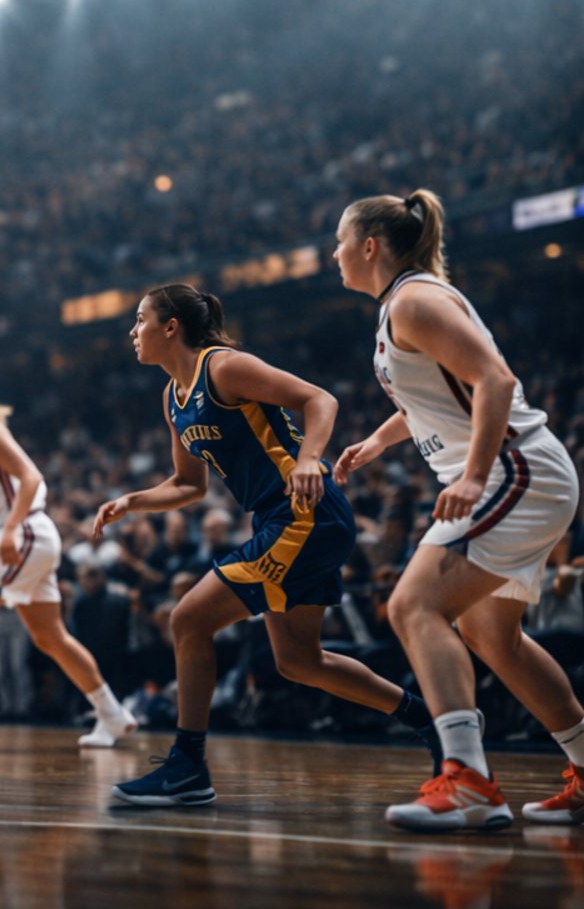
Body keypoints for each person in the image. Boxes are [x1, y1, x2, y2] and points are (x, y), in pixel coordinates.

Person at [93, 285, 436, 807]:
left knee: (188, 619)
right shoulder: (173, 398)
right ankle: (430, 720)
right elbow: (190, 485)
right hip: (280, 519)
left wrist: (308, 458)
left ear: (170, 328)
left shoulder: (223, 367)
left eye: (140, 319)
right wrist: (132, 502)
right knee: (300, 660)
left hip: (306, 513)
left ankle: (187, 766)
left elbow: (320, 399)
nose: (132, 332)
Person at [333, 190, 584, 830]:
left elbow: (494, 380)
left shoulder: (416, 299)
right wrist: (377, 441)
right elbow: (430, 396)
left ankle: (468, 780)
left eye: (340, 241)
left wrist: (474, 476)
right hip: (524, 474)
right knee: (490, 635)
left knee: (412, 605)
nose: (332, 254)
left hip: (513, 470)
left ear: (370, 246)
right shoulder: (405, 303)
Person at [0, 371, 138, 748]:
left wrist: (9, 529)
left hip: (24, 533)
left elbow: (30, 476)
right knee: (50, 637)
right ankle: (112, 714)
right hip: (23, 539)